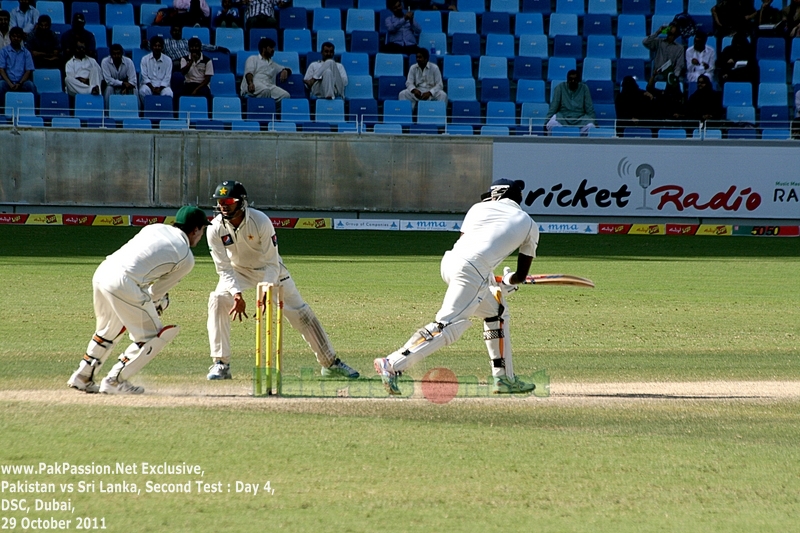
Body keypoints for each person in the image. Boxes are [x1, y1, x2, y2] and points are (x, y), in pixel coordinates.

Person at [373, 179, 539, 396]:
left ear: (496, 194)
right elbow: (521, 275)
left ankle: (504, 379)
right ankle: (392, 364)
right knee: (448, 326)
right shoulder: (529, 224)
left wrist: (493, 280)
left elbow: (469, 248)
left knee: (496, 312)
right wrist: (509, 280)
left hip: (451, 263)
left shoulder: (477, 209)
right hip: (472, 271)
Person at [206, 180, 360, 381]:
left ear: (241, 202)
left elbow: (272, 263)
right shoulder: (214, 228)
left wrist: (266, 291)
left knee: (301, 313)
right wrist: (236, 294)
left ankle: (330, 363)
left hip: (271, 271)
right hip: (238, 272)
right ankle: (221, 364)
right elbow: (224, 268)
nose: (223, 206)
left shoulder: (260, 221)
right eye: (220, 202)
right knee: (218, 300)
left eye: (228, 201)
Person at [67, 206, 211, 395]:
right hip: (124, 283)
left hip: (103, 272)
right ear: (196, 229)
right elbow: (155, 292)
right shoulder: (186, 256)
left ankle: (83, 376)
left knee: (108, 330)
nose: (201, 236)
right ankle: (115, 381)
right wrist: (158, 304)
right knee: (151, 337)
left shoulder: (154, 228)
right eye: (202, 230)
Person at [545, 69, 595, 135]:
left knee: (591, 127)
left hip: (580, 118)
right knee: (551, 124)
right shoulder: (560, 87)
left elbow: (589, 108)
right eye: (570, 79)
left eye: (575, 79)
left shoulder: (584, 88)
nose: (573, 81)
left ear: (579, 81)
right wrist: (546, 121)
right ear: (567, 80)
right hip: (563, 117)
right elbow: (553, 107)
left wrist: (595, 123)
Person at [0, 27, 35, 111]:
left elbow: (28, 71)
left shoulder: (26, 53)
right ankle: (1, 112)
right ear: (10, 37)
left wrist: (20, 83)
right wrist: (10, 83)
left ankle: (34, 111)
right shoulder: (4, 51)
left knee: (31, 86)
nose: (16, 38)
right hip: (7, 81)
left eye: (18, 37)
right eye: (14, 36)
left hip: (22, 82)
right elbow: (1, 69)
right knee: (0, 85)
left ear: (21, 38)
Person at [139, 35, 174, 104]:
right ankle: (148, 108)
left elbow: (167, 77)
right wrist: (152, 88)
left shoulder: (168, 60)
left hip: (163, 86)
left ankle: (162, 111)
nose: (157, 48)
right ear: (152, 47)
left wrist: (160, 88)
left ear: (162, 47)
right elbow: (144, 77)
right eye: (155, 46)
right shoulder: (145, 59)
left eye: (159, 46)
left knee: (169, 93)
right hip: (149, 85)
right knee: (143, 91)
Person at [178, 37, 214, 101]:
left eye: (196, 46)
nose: (194, 48)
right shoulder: (184, 59)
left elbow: (207, 80)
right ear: (189, 48)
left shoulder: (207, 61)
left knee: (204, 93)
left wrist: (196, 90)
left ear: (200, 48)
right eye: (192, 47)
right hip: (189, 83)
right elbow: (183, 72)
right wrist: (191, 61)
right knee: (179, 94)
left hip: (202, 85)